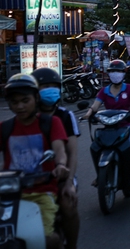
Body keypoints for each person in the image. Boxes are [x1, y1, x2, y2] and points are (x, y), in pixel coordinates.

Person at [2, 73, 69, 249]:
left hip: (43, 192)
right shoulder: (5, 128)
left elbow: (59, 151)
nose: (20, 106)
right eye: (15, 102)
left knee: (45, 239)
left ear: (36, 99)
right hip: (9, 195)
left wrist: (61, 165)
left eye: (25, 100)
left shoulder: (51, 122)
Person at [32, 68, 81, 249]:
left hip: (60, 176)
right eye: (45, 86)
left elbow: (72, 153)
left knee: (68, 205)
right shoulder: (26, 116)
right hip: (29, 176)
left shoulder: (65, 116)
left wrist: (68, 181)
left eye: (53, 86)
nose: (50, 89)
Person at [82, 60, 130, 185]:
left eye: (119, 71)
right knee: (96, 147)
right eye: (112, 71)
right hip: (109, 127)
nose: (115, 74)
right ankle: (100, 175)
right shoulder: (104, 91)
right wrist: (88, 114)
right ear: (108, 73)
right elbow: (95, 106)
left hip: (127, 125)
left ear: (124, 73)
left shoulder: (129, 88)